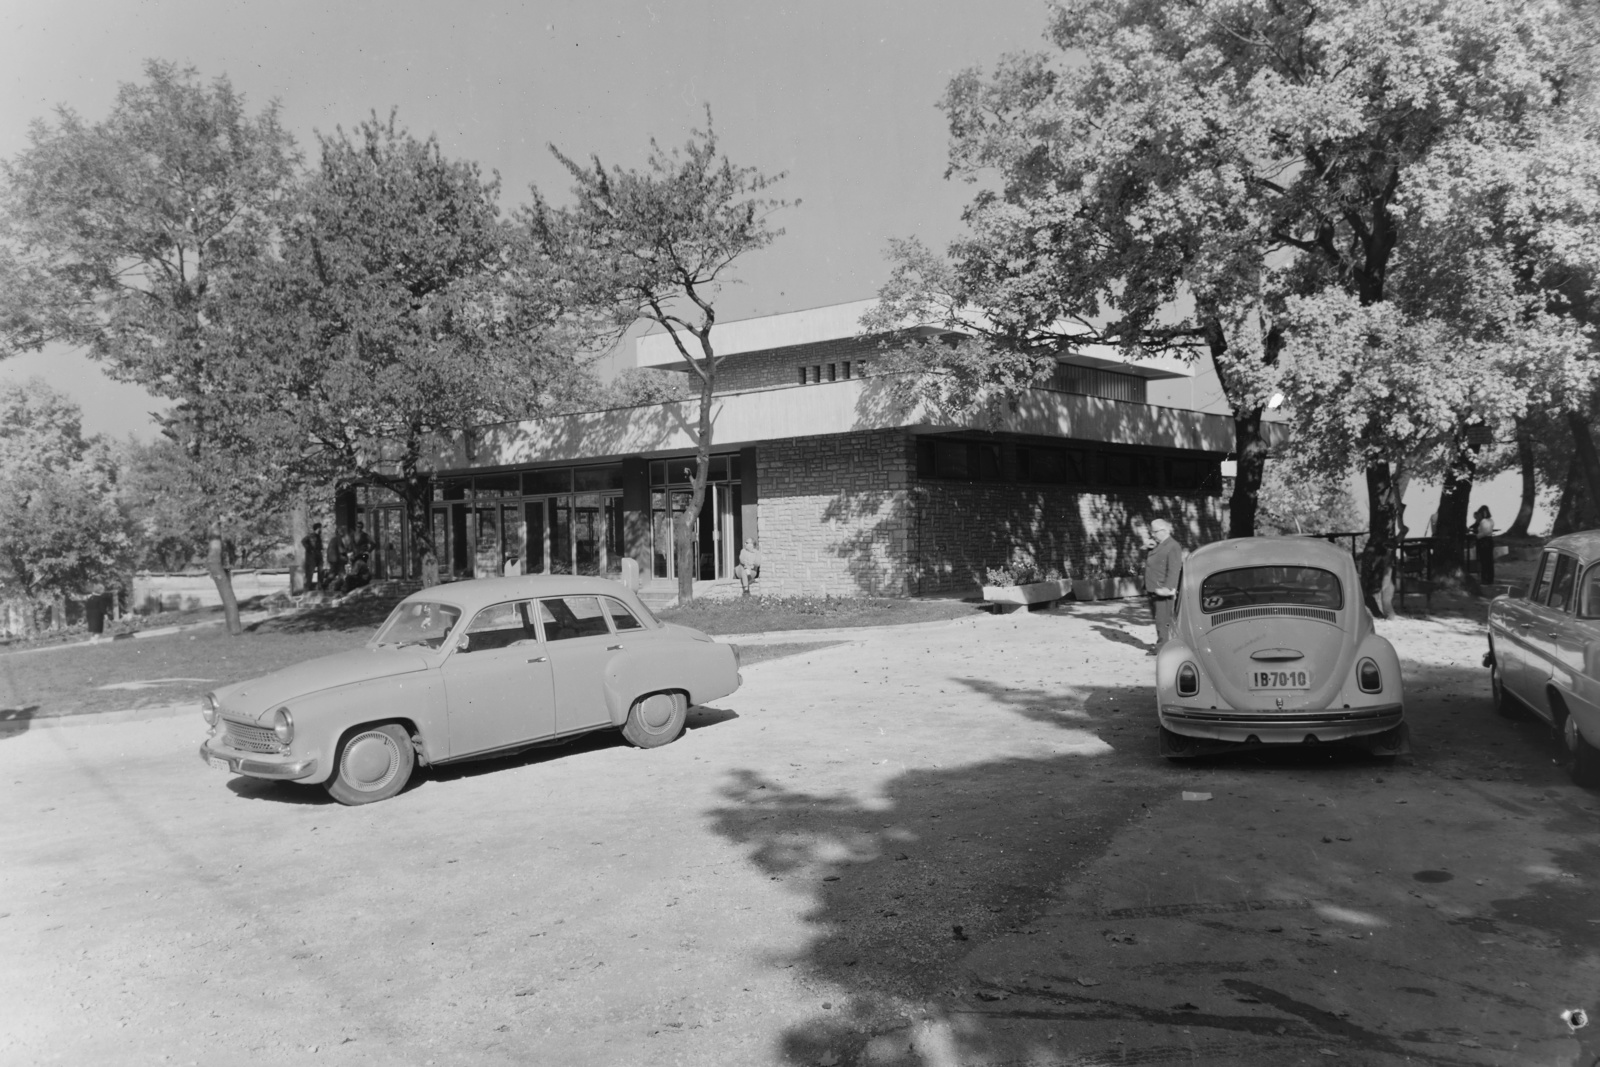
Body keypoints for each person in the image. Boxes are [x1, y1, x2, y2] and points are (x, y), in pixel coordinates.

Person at [1143, 517, 1184, 654]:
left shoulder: (1173, 546)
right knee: (1158, 619)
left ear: (1164, 531)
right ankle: (1163, 644)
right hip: (1153, 588)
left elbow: (1174, 569)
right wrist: (1146, 546)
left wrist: (1168, 587)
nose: (1152, 535)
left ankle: (1163, 648)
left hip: (1162, 589)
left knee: (1163, 620)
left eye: (1154, 532)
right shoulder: (1158, 544)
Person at [1474, 506, 1495, 585]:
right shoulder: (1491, 521)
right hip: (1489, 541)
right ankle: (1489, 578)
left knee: (1484, 561)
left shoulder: (1484, 521)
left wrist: (1477, 536)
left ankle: (1485, 578)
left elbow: (1485, 532)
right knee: (1489, 561)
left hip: (1484, 541)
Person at [300, 523, 324, 592]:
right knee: (310, 571)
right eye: (320, 528)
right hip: (311, 557)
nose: (321, 529)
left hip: (319, 555)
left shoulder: (319, 536)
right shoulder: (311, 535)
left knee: (321, 571)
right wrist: (309, 549)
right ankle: (308, 587)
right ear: (317, 528)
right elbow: (303, 541)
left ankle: (320, 585)